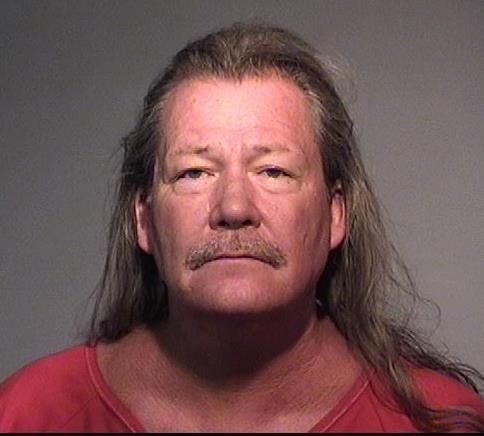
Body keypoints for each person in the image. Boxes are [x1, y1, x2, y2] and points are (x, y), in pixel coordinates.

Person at [1, 22, 483, 433]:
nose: (233, 207)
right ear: (143, 218)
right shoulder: (28, 414)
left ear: (336, 213)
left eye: (273, 171)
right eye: (194, 173)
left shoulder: (442, 422)